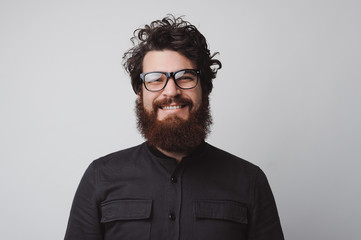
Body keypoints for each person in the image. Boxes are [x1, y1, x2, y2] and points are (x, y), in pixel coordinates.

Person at [64, 15, 284, 240]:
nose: (170, 92)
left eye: (185, 77)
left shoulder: (250, 181)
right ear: (140, 93)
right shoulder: (100, 177)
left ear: (205, 89)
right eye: (155, 79)